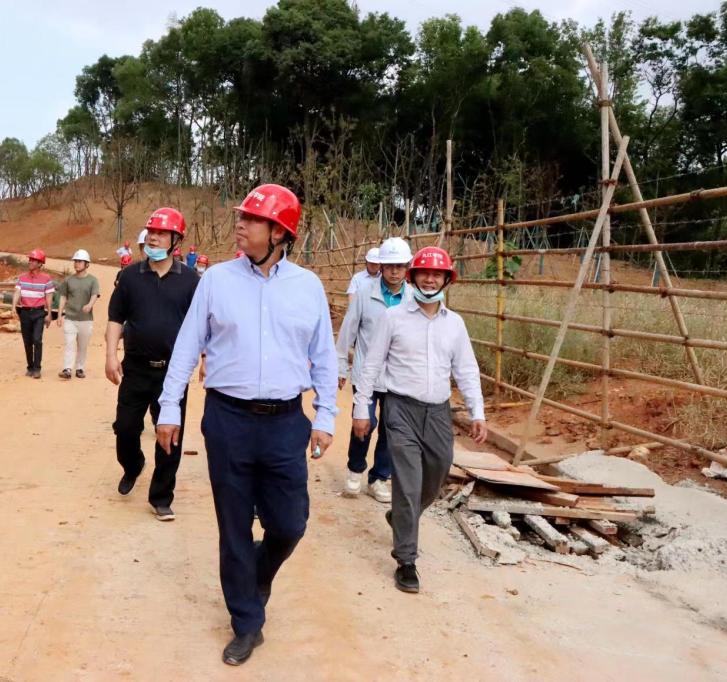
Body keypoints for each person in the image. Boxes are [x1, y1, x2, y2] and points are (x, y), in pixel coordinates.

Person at [157, 184, 337, 667]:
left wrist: (325, 415)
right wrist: (170, 408)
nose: (240, 224)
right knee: (233, 525)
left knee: (290, 523)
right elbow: (187, 346)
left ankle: (258, 573)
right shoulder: (216, 281)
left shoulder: (307, 287)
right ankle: (247, 621)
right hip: (228, 419)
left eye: (252, 220)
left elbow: (323, 355)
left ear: (279, 233)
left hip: (285, 422)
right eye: (242, 217)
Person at [352, 246, 487, 594]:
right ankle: (406, 560)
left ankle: (401, 516)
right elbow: (372, 365)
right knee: (408, 484)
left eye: (437, 274)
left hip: (438, 412)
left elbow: (466, 370)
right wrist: (361, 407)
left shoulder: (454, 324)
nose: (430, 279)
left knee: (437, 472)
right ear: (413, 278)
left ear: (446, 280)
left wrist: (477, 412)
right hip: (401, 409)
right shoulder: (394, 318)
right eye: (424, 273)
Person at [106, 207, 200, 521]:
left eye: (161, 233)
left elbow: (201, 325)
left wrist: (205, 360)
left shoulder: (191, 281)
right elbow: (115, 318)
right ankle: (133, 465)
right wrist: (110, 355)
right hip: (135, 368)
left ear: (176, 241)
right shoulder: (130, 276)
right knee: (125, 428)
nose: (153, 238)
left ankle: (161, 496)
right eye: (151, 232)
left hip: (173, 372)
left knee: (170, 435)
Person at [335, 237, 413, 503]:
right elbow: (348, 331)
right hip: (366, 374)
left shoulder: (413, 299)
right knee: (363, 424)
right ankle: (355, 470)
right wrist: (341, 367)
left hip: (398, 378)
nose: (394, 272)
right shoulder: (365, 294)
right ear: (381, 267)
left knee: (392, 430)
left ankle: (379, 478)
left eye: (399, 266)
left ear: (407, 268)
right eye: (389, 266)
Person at [11, 249, 55, 379]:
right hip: (25, 313)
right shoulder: (22, 278)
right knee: (27, 341)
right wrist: (13, 307)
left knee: (37, 339)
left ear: (40, 263)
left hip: (39, 313)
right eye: (30, 259)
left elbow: (49, 297)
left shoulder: (46, 279)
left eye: (33, 260)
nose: (30, 262)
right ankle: (30, 367)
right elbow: (17, 292)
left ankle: (37, 368)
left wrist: (49, 313)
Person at [56, 249, 100, 379]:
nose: (76, 264)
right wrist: (59, 315)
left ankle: (80, 368)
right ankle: (67, 369)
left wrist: (90, 305)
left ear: (87, 264)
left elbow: (94, 295)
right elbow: (63, 297)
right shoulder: (68, 280)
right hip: (70, 318)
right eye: (75, 261)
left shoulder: (93, 280)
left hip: (86, 319)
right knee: (69, 344)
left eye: (80, 261)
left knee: (82, 346)